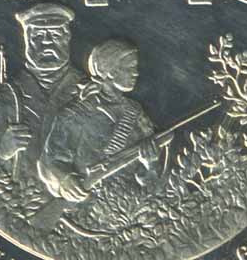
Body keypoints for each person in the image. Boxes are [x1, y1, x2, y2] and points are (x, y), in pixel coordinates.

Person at [0, 3, 86, 200]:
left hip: (79, 196)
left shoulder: (89, 93)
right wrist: (2, 150)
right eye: (39, 36)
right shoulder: (1, 98)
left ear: (67, 38)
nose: (47, 42)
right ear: (26, 40)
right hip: (18, 199)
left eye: (55, 35)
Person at [38, 39, 168, 203]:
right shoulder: (77, 112)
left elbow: (152, 180)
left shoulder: (135, 111)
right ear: (110, 71)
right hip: (89, 203)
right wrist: (65, 181)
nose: (135, 73)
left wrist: (151, 164)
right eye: (129, 68)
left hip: (126, 201)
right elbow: (50, 162)